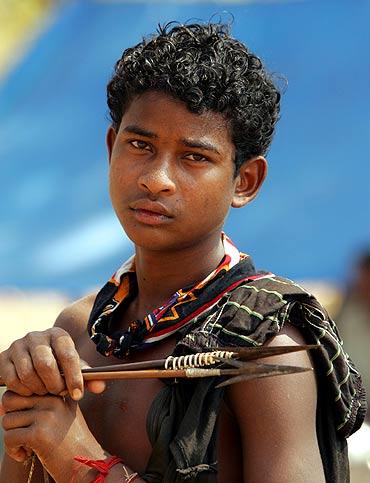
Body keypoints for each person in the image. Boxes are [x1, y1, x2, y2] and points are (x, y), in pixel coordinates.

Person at [0, 22, 366, 483]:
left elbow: (70, 457)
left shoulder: (267, 350)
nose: (157, 178)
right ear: (112, 148)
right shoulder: (77, 333)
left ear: (244, 181)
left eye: (194, 157)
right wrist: (27, 416)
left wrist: (78, 459)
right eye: (140, 145)